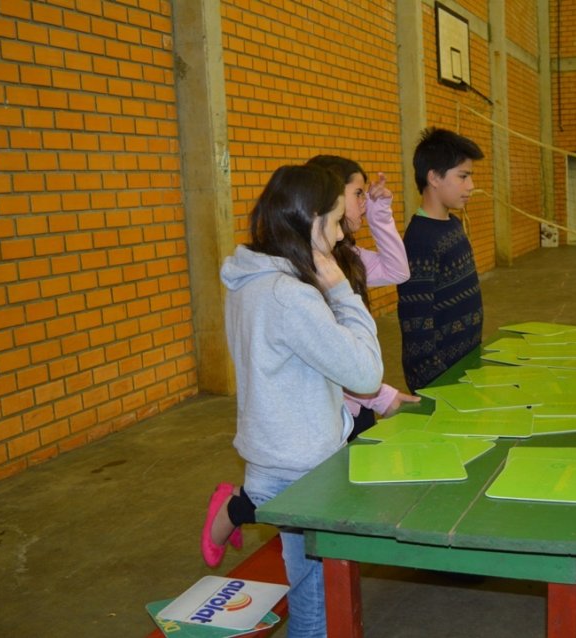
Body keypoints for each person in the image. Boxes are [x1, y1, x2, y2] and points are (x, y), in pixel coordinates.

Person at [201, 164, 383, 637]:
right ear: (313, 219)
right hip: (303, 470)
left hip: (272, 456)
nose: (344, 232)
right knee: (317, 602)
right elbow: (365, 374)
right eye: (338, 221)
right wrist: (343, 294)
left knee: (311, 585)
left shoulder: (251, 280)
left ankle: (236, 505)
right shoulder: (289, 295)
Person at [305, 155, 419, 440]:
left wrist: (380, 214)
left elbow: (398, 271)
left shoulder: (348, 256)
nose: (364, 202)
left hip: (360, 402)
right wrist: (380, 397)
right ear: (330, 196)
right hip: (327, 414)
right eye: (358, 194)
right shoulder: (306, 269)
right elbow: (325, 354)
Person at [397, 127, 485, 392]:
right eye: (463, 176)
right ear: (434, 177)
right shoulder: (420, 240)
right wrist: (435, 384)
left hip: (465, 363)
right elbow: (415, 321)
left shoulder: (453, 224)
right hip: (439, 378)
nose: (470, 186)